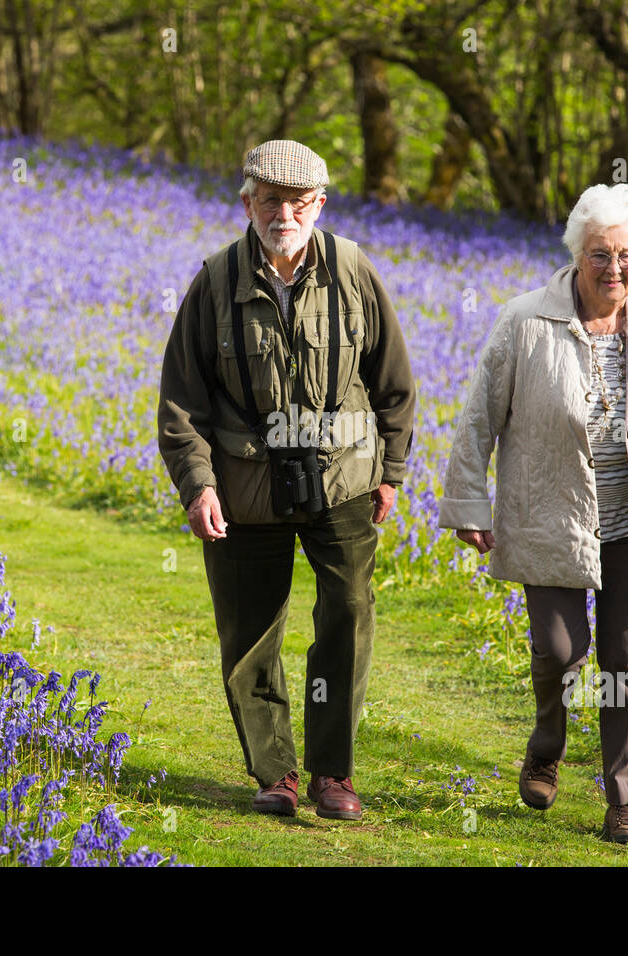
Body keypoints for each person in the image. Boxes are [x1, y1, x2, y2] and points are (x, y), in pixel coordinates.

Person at [438, 183, 628, 847]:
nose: (615, 269)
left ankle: (623, 800)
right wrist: (467, 502)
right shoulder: (524, 323)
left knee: (627, 660)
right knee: (560, 650)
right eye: (601, 254)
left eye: (627, 255)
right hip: (550, 512)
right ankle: (547, 743)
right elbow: (479, 414)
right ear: (576, 254)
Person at [157, 140, 416, 821]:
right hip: (245, 487)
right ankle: (275, 772)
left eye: (299, 202)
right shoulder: (215, 281)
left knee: (347, 616)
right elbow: (182, 402)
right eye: (270, 200)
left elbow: (393, 384)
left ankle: (333, 775)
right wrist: (198, 485)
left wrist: (391, 472)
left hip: (344, 479)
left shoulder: (354, 270)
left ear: (319, 206)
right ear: (248, 203)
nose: (284, 213)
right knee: (249, 632)